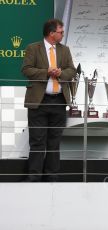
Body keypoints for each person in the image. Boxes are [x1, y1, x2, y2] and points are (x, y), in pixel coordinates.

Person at [21, 19, 76, 182]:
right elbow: (26, 69)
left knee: (55, 140)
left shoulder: (65, 50)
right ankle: (34, 175)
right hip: (39, 101)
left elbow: (72, 70)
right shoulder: (33, 48)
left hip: (59, 101)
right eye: (61, 32)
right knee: (37, 140)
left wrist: (60, 73)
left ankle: (52, 175)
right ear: (51, 33)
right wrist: (46, 72)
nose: (63, 34)